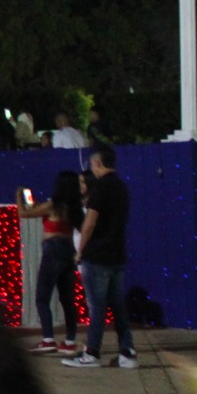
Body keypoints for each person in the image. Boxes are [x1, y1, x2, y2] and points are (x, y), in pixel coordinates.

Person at [64, 145, 136, 370]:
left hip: (97, 256)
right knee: (117, 306)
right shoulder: (121, 187)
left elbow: (90, 222)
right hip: (117, 255)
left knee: (97, 307)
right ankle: (127, 351)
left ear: (97, 163)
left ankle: (92, 352)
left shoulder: (100, 189)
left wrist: (80, 250)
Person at [18, 172, 84, 356]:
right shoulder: (74, 208)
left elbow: (24, 213)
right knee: (67, 299)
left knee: (42, 297)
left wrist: (18, 195)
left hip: (52, 251)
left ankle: (48, 339)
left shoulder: (53, 205)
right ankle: (70, 340)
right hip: (68, 251)